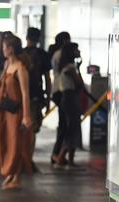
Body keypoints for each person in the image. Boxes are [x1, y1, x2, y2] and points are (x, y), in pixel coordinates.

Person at [0, 34, 33, 190]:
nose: (2, 49)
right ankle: (10, 173)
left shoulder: (21, 69)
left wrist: (26, 116)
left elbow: (25, 94)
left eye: (5, 47)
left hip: (16, 112)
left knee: (15, 144)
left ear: (11, 49)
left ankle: (16, 176)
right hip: (4, 110)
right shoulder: (7, 64)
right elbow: (0, 83)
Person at [24, 27, 52, 170]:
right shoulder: (43, 55)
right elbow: (47, 78)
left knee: (22, 128)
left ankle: (22, 158)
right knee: (33, 128)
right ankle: (29, 159)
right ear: (39, 38)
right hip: (36, 96)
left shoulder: (20, 53)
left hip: (20, 97)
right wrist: (48, 98)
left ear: (26, 37)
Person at [53, 43, 84, 167]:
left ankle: (69, 159)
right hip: (70, 98)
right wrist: (79, 68)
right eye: (76, 49)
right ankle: (62, 157)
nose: (79, 50)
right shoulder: (70, 68)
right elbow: (80, 83)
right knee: (73, 128)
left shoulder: (63, 67)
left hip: (66, 98)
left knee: (71, 127)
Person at [49, 31, 72, 165]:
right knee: (64, 125)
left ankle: (58, 154)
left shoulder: (56, 53)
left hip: (56, 90)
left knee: (63, 125)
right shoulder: (62, 55)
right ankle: (57, 154)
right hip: (61, 90)